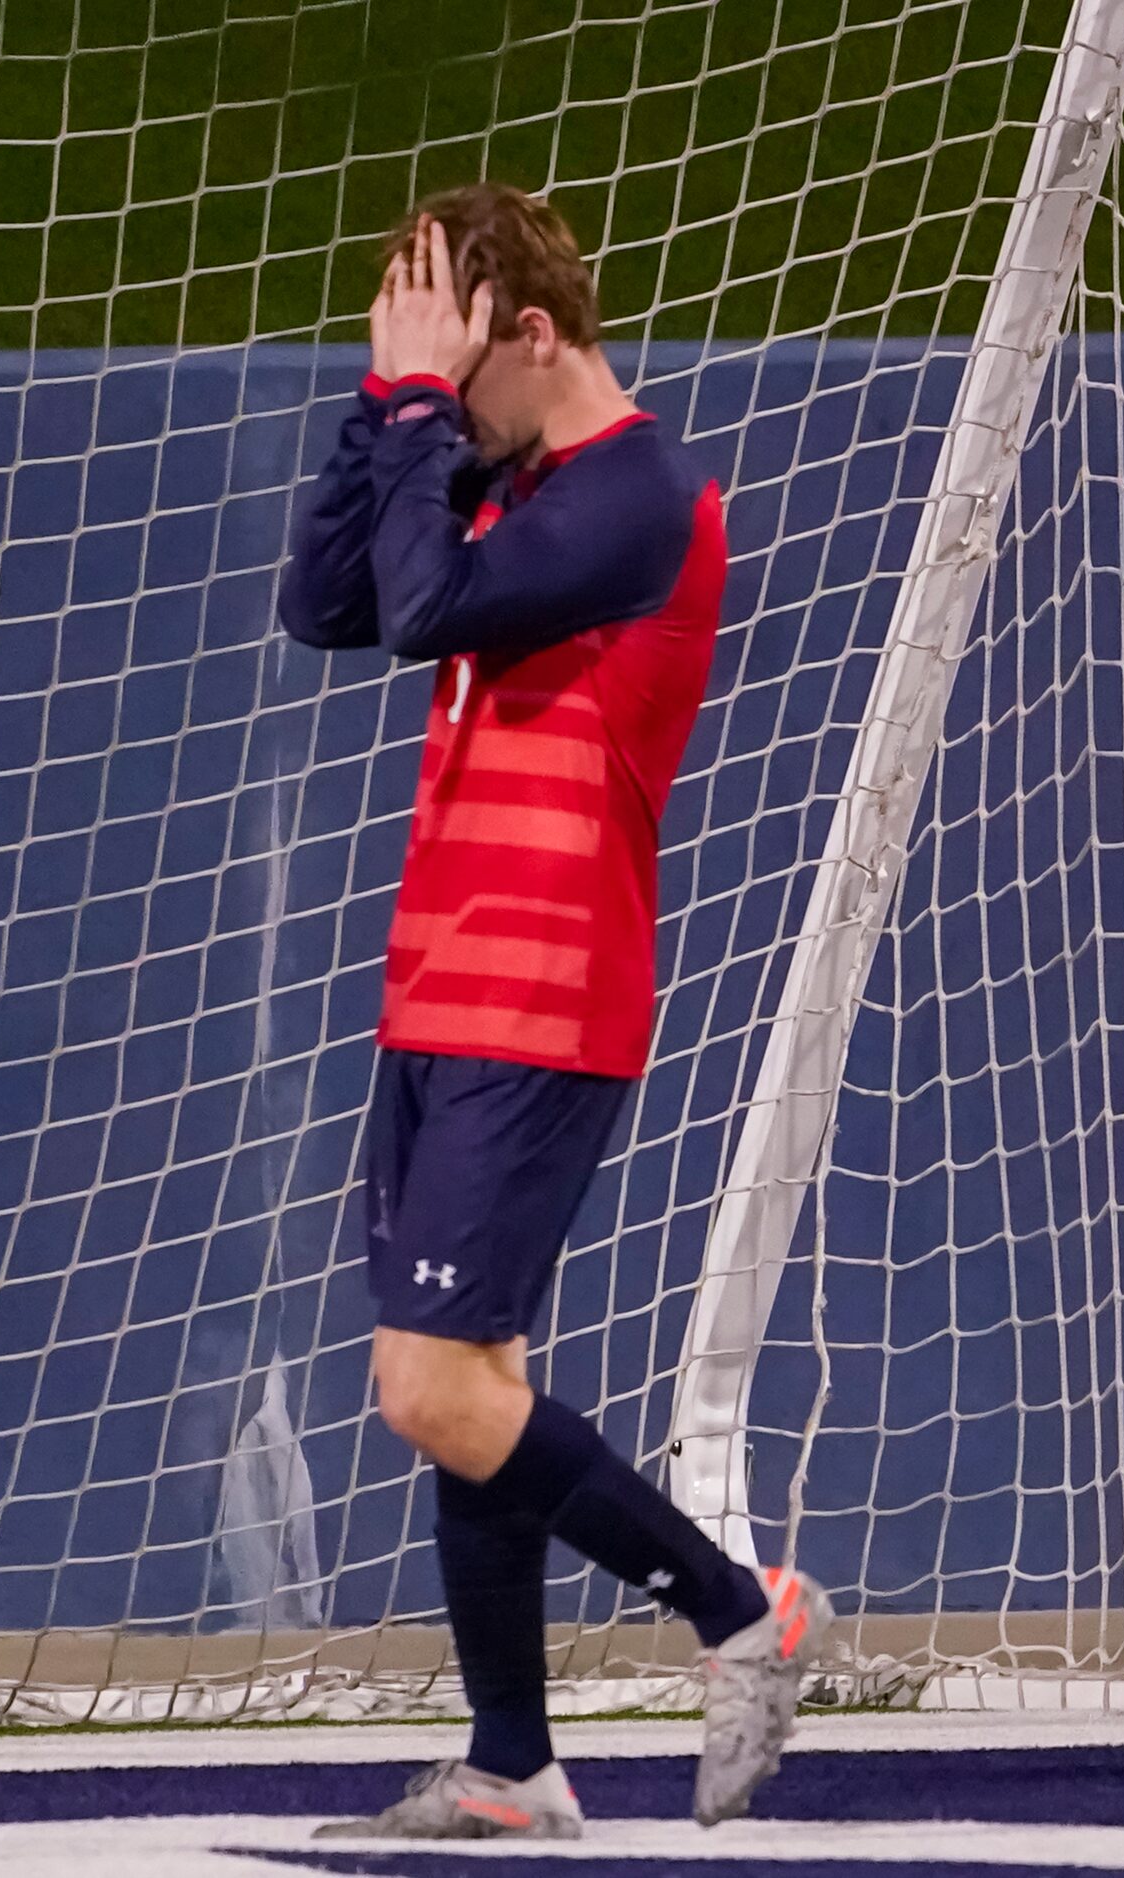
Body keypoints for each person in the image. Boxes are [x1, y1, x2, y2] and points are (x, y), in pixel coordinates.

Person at [278, 183, 825, 1838]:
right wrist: (391, 408)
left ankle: (740, 1607)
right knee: (480, 1382)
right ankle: (513, 1759)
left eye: (453, 357)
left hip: (545, 988)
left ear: (526, 332)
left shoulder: (640, 491)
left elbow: (427, 610)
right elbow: (328, 604)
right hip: (439, 979)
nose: (442, 398)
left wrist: (412, 418)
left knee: (431, 1388)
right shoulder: (496, 474)